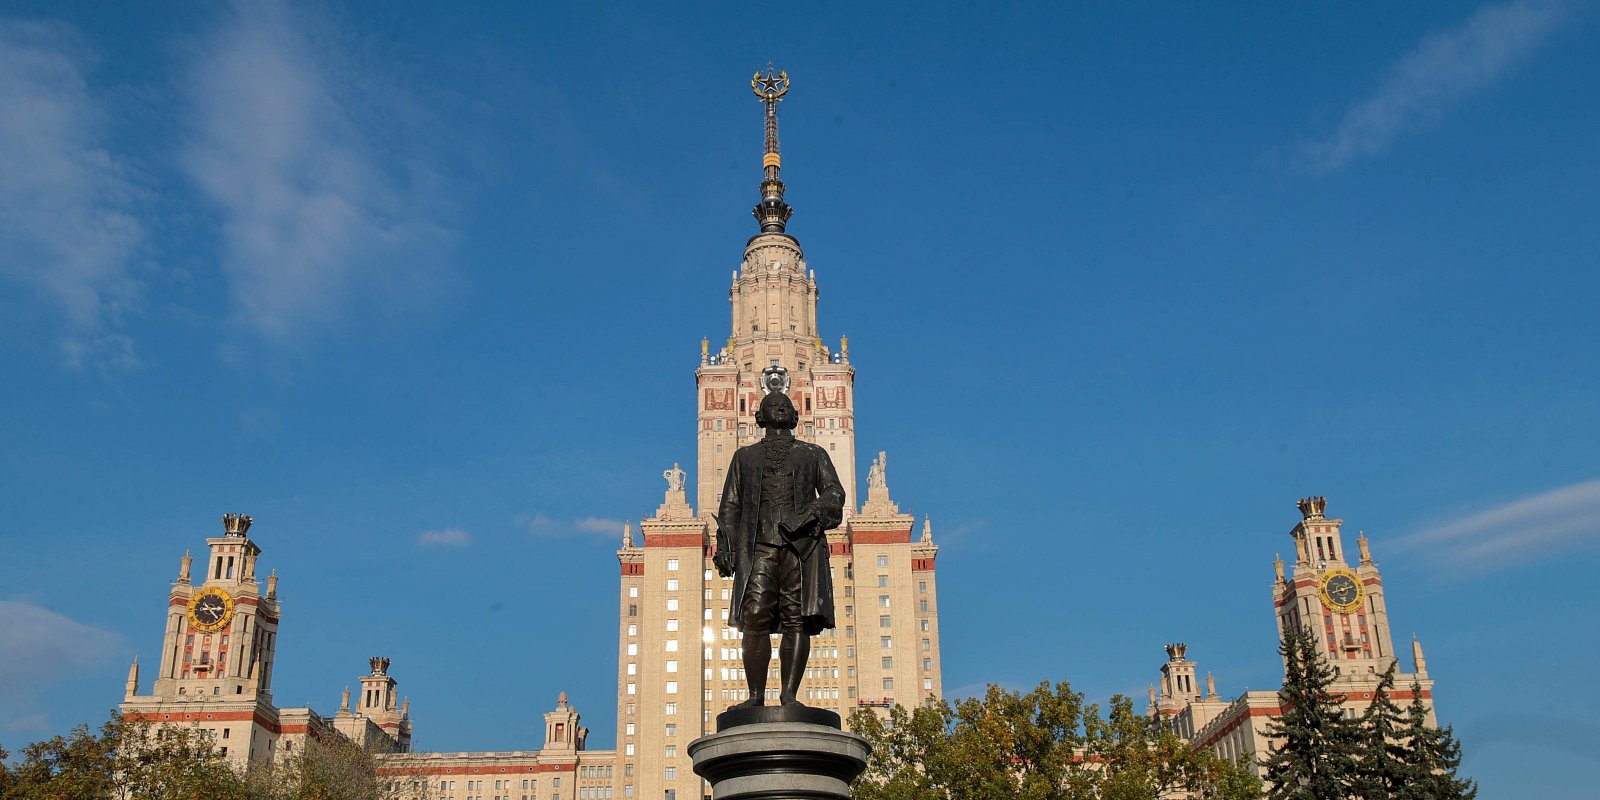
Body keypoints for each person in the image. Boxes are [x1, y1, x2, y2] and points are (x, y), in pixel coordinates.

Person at [714, 390, 845, 708]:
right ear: (759, 416)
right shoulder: (744, 457)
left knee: (796, 618)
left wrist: (811, 513)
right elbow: (730, 505)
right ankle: (755, 696)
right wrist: (726, 546)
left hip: (800, 548)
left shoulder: (812, 453)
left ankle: (789, 695)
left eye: (786, 406)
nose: (780, 408)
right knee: (755, 616)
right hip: (758, 547)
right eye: (773, 405)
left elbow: (834, 493)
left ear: (795, 415)